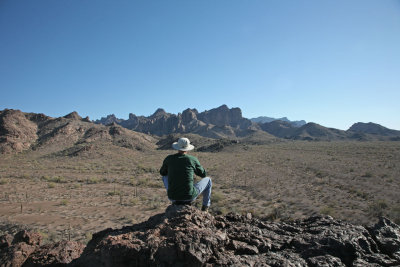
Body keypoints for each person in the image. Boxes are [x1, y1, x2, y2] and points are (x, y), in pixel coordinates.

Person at [160, 137, 212, 211]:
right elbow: (203, 174)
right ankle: (205, 207)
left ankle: (175, 199)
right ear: (187, 148)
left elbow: (162, 172)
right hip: (189, 196)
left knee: (164, 176)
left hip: (172, 197)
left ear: (177, 147)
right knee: (208, 180)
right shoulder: (192, 159)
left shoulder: (169, 158)